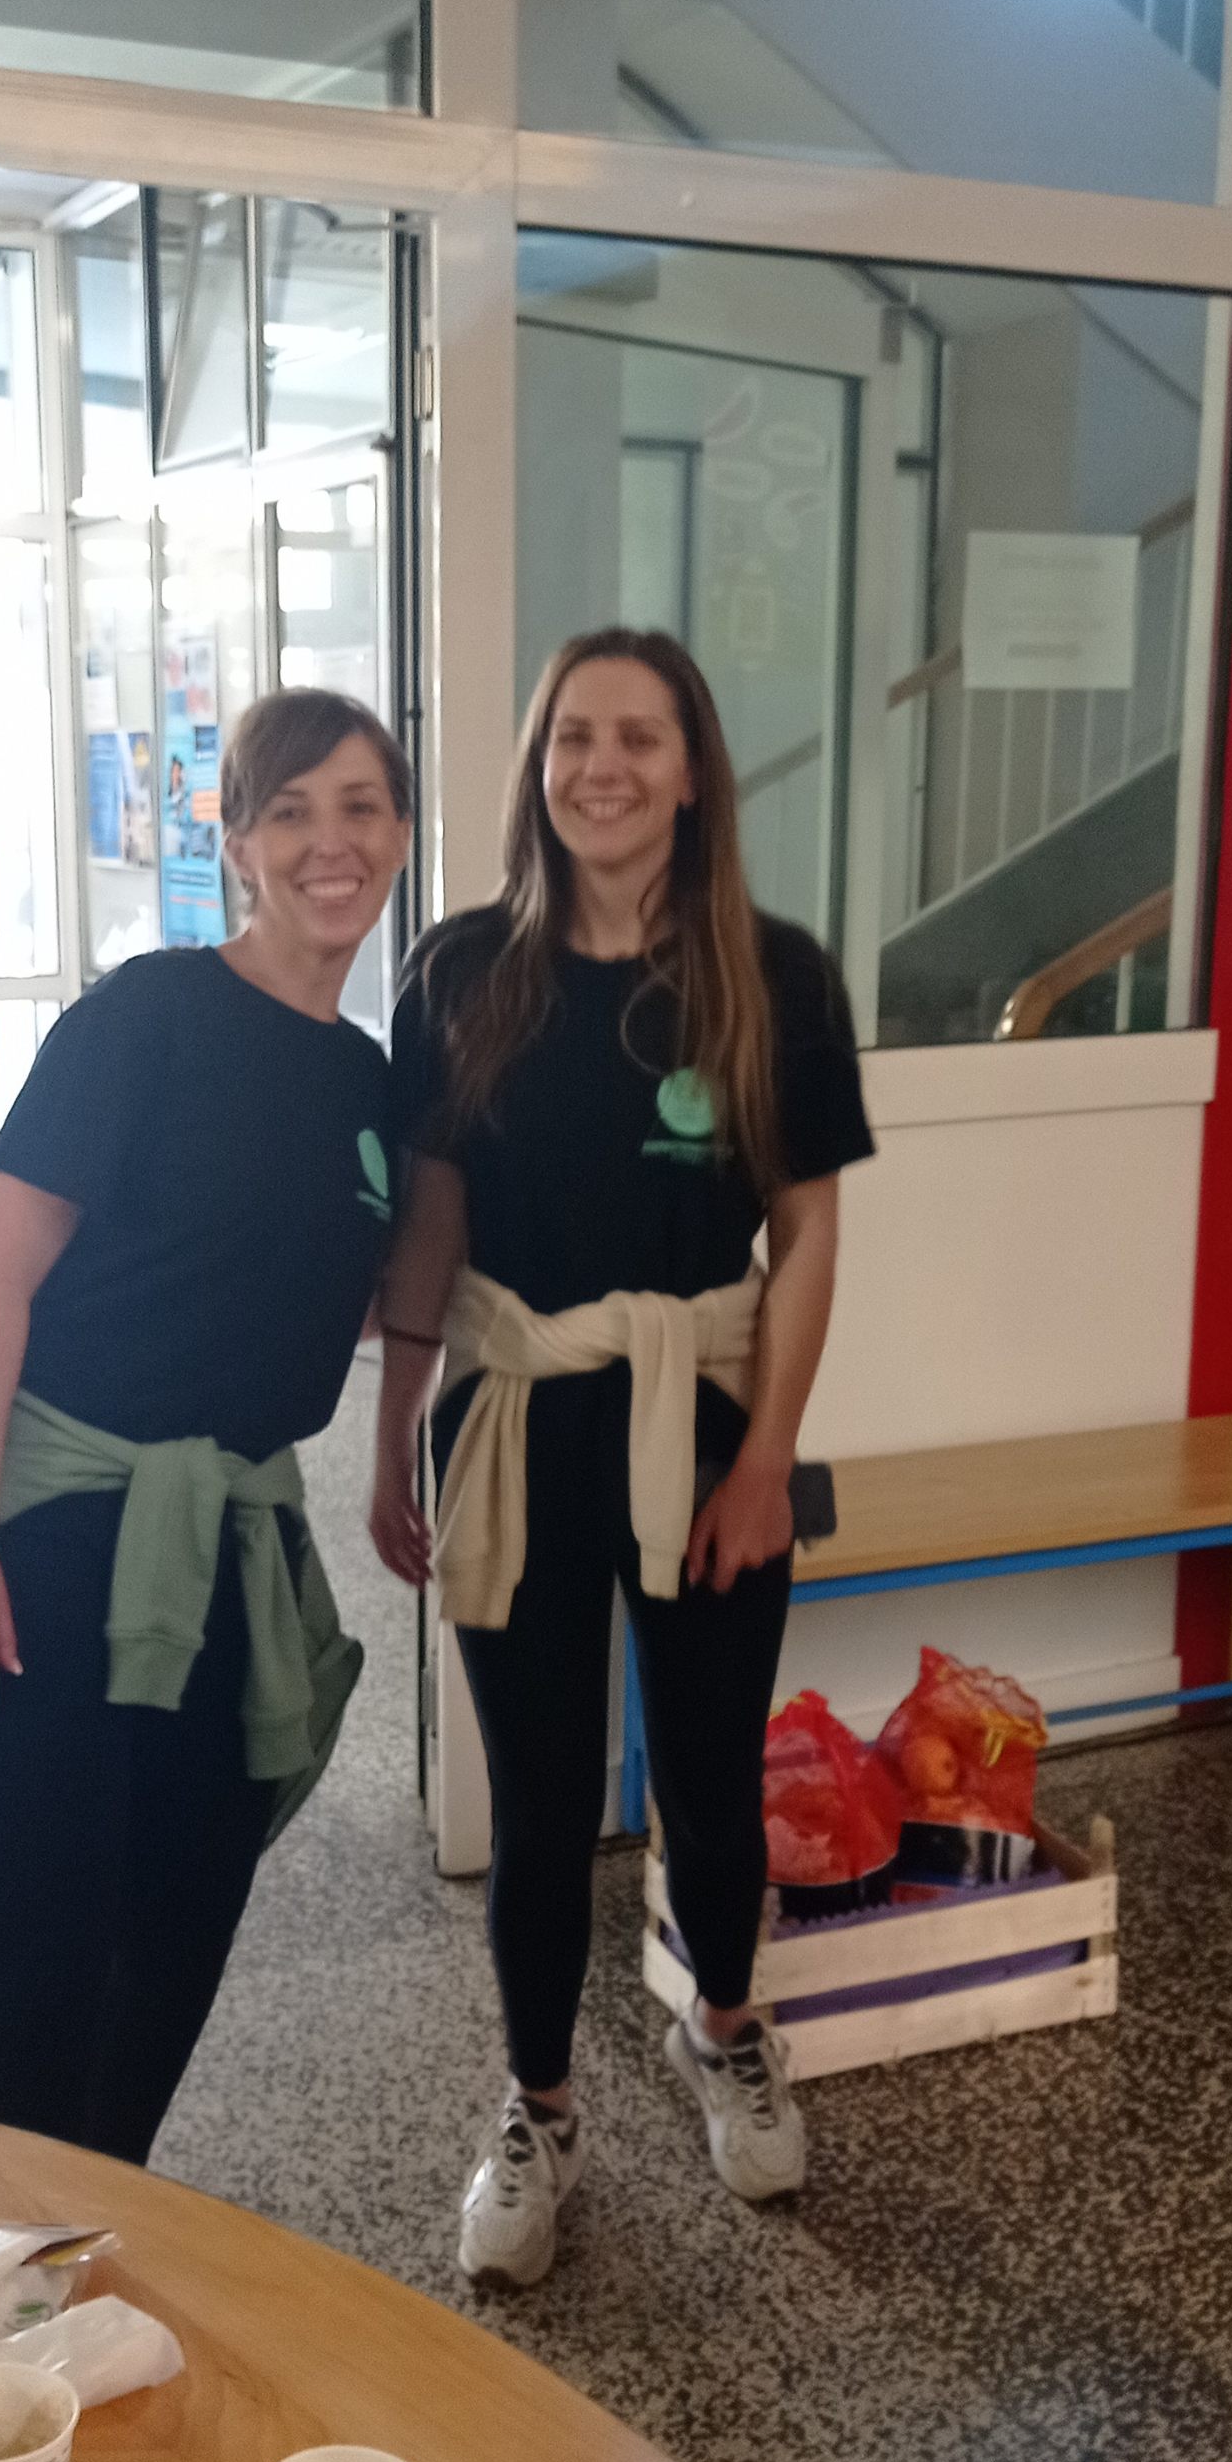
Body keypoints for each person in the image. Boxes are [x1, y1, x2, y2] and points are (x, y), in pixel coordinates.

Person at [0, 688, 412, 2162]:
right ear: (237, 843)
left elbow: (334, 1294)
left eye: (361, 807)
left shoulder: (366, 1081)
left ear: (401, 834)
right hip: (58, 1541)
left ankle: (100, 2211)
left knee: (183, 1921)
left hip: (230, 1551)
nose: (330, 843)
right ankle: (16, 2258)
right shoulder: (146, 1017)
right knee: (45, 1945)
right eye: (291, 811)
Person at [371, 626, 874, 2291]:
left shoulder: (772, 973)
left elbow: (806, 1231)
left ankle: (723, 2027)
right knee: (534, 1800)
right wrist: (394, 1427)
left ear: (693, 770)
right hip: (517, 1411)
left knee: (709, 1774)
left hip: (708, 1414)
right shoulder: (463, 969)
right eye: (573, 736)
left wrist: (767, 1459)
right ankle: (539, 2106)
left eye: (639, 737)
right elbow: (431, 1219)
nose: (602, 767)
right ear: (537, 766)